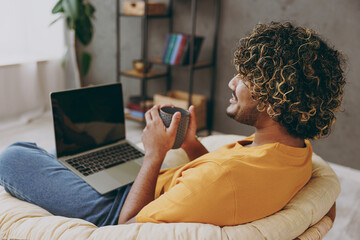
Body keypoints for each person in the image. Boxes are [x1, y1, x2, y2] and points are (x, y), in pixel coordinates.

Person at [0, 22, 346, 227]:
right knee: (67, 152)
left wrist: (154, 154)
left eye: (243, 78)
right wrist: (190, 143)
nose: (231, 83)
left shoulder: (226, 178)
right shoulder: (293, 153)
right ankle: (74, 156)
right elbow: (212, 173)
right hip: (148, 185)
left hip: (120, 206)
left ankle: (68, 158)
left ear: (274, 99)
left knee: (15, 154)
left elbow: (129, 226)